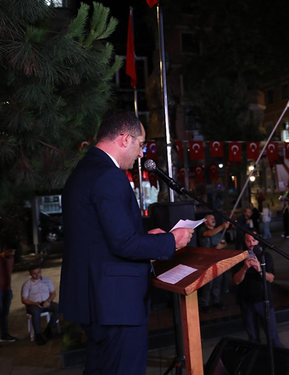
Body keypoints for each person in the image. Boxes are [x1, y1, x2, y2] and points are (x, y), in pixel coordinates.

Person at [60, 111, 193, 374]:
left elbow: (100, 234)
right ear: (124, 138)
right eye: (141, 144)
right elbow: (123, 244)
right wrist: (170, 242)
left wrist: (146, 236)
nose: (142, 154)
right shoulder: (109, 176)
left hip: (96, 300)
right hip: (116, 304)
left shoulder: (85, 170)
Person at [233, 232, 282, 347]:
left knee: (272, 336)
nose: (251, 244)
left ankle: (278, 359)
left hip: (264, 301)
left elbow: (271, 279)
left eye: (253, 241)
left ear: (258, 241)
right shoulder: (239, 257)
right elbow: (236, 280)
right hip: (246, 302)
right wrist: (244, 268)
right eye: (248, 241)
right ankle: (257, 359)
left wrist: (260, 269)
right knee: (253, 337)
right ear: (244, 241)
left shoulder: (266, 256)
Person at [198, 214, 230, 311]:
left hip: (217, 260)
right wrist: (222, 226)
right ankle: (205, 303)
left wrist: (222, 246)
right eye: (211, 218)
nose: (213, 219)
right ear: (205, 221)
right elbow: (210, 233)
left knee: (217, 282)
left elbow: (225, 243)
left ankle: (216, 300)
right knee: (208, 283)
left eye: (214, 218)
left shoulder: (219, 232)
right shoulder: (202, 230)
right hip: (206, 262)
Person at [22, 267, 60, 345]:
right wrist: (35, 303)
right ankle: (38, 335)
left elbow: (53, 293)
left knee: (58, 308)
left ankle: (49, 329)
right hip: (34, 304)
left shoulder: (47, 280)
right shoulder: (27, 284)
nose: (37, 275)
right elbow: (24, 299)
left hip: (47, 302)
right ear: (30, 274)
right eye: (34, 273)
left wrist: (48, 301)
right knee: (35, 313)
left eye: (38, 272)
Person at [0, 243, 17, 343]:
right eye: (10, 251)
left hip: (7, 289)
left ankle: (5, 335)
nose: (13, 253)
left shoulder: (11, 259)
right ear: (5, 250)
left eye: (14, 251)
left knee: (5, 314)